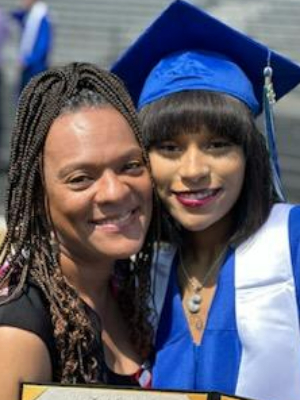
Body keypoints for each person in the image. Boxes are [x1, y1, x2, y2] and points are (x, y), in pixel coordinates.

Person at [111, 1, 300, 400]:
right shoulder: (141, 274)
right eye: (169, 147)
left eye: (218, 145)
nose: (194, 169)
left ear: (249, 154)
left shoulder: (291, 243)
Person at [0, 62, 155, 400]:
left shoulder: (126, 291)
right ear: (38, 197)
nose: (115, 191)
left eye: (130, 165)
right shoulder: (17, 333)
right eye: (81, 178)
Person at [11, 0, 52, 95]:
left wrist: (28, 60)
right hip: (28, 67)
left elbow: (43, 46)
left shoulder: (42, 17)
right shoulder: (29, 15)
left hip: (35, 69)